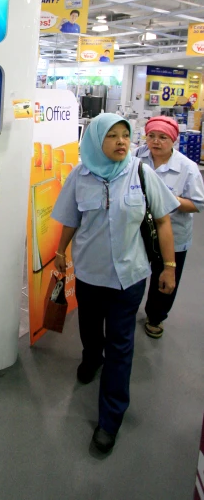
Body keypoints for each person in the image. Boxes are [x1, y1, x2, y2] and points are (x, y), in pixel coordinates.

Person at [51, 113, 179, 455]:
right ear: (95, 141)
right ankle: (91, 357)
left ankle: (111, 418)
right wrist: (61, 251)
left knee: (121, 347)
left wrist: (169, 267)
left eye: (125, 135)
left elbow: (164, 221)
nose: (122, 141)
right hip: (91, 275)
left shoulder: (140, 173)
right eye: (112, 136)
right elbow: (69, 219)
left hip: (130, 276)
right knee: (92, 330)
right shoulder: (80, 176)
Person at [134, 116, 204, 339]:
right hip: (139, 231)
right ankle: (127, 310)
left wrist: (166, 199)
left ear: (173, 139)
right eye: (151, 136)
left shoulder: (188, 168)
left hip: (174, 233)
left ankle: (156, 317)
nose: (155, 142)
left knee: (164, 277)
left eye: (163, 137)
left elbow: (197, 204)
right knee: (134, 272)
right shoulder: (137, 157)